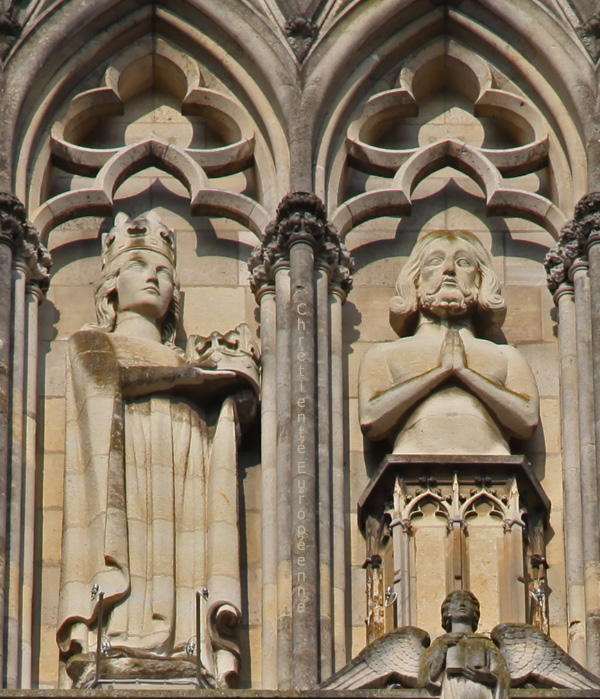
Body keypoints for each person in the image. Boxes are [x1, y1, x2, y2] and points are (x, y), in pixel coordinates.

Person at [56, 212, 257, 687]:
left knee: (183, 553)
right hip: (128, 452)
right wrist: (198, 374)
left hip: (184, 453)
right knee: (135, 551)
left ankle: (187, 642)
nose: (153, 277)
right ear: (111, 286)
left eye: (164, 272)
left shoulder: (189, 361)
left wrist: (237, 386)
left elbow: (232, 402)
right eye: (140, 266)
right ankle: (122, 639)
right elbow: (113, 373)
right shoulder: (91, 344)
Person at [359, 230, 539, 455]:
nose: (449, 270)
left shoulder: (506, 356)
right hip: (411, 469)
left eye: (463, 262)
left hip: (494, 470)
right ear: (415, 279)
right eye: (435, 261)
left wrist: (465, 374)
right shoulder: (384, 354)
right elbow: (371, 419)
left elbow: (527, 419)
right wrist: (441, 372)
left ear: (481, 279)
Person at [418, 590, 510, 699]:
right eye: (456, 601)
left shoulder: (485, 642)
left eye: (467, 601)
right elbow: (426, 678)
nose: (462, 604)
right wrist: (441, 652)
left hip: (480, 692)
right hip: (451, 691)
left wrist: (488, 677)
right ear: (448, 611)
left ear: (474, 611)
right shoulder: (440, 642)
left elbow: (502, 674)